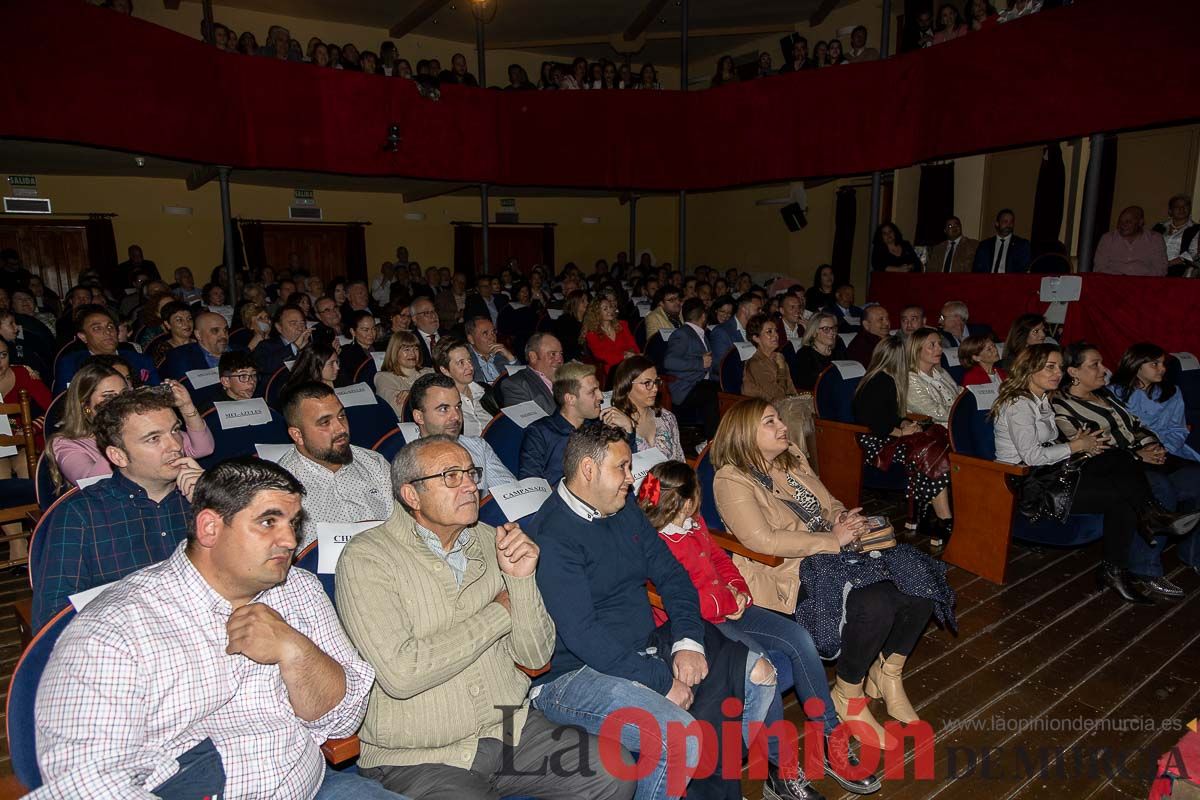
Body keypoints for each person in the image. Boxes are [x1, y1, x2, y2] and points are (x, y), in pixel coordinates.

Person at [33, 458, 391, 800]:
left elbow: (343, 719)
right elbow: (85, 782)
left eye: (293, 524)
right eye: (269, 522)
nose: (290, 540)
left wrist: (295, 649)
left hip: (313, 788)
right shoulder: (113, 629)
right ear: (209, 528)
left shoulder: (299, 588)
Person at [335, 435, 628, 800]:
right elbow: (402, 675)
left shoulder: (495, 541)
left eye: (471, 474)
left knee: (613, 770)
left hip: (508, 727)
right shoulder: (367, 559)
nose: (471, 485)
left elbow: (535, 657)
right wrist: (499, 613)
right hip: (419, 754)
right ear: (411, 495)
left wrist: (521, 581)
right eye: (451, 476)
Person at [526, 424, 780, 800]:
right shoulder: (553, 533)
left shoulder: (621, 509)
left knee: (760, 677)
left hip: (643, 645)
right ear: (588, 470)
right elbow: (584, 636)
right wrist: (661, 680)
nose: (632, 479)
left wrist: (688, 640)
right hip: (574, 674)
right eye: (623, 468)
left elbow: (673, 576)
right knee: (680, 737)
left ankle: (711, 788)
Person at [712, 399, 951, 750]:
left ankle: (888, 675)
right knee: (877, 602)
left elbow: (827, 502)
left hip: (833, 552)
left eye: (779, 418)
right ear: (744, 434)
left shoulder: (789, 457)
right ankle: (848, 692)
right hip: (789, 570)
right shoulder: (731, 478)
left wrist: (842, 518)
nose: (782, 426)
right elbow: (760, 540)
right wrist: (831, 539)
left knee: (920, 579)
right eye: (770, 422)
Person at [636, 460, 882, 796]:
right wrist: (726, 601)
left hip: (729, 606)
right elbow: (679, 599)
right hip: (697, 628)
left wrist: (739, 589)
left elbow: (720, 560)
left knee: (799, 639)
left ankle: (830, 739)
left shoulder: (693, 523)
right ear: (687, 499)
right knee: (764, 666)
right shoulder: (653, 541)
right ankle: (781, 772)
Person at [991, 345, 1196, 604]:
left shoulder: (1042, 399)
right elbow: (1032, 456)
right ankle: (1151, 516)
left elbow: (1050, 446)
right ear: (1029, 369)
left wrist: (1078, 441)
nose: (1058, 373)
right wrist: (1076, 445)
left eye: (1059, 367)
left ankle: (1116, 566)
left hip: (1052, 473)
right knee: (1118, 468)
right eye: (1050, 367)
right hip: (1027, 484)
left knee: (1118, 470)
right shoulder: (1018, 404)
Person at [32, 387, 206, 630]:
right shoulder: (80, 513)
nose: (175, 446)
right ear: (118, 456)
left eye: (175, 430)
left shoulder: (206, 496)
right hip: (125, 647)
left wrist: (216, 500)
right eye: (154, 438)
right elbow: (54, 614)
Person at [1053, 342, 1200, 523]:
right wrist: (1137, 455)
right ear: (1074, 372)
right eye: (1095, 365)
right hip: (1115, 464)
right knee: (1161, 489)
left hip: (1146, 451)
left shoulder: (1105, 394)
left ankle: (1188, 549)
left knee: (1196, 476)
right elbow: (1093, 449)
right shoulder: (1064, 405)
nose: (1104, 370)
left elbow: (1135, 425)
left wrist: (1155, 446)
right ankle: (1153, 528)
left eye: (1102, 363)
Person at [853, 336, 955, 547]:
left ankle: (923, 514)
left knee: (932, 444)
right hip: (874, 443)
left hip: (889, 435)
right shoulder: (879, 381)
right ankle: (943, 519)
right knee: (929, 453)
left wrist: (908, 423)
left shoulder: (889, 379)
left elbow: (893, 416)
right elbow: (876, 424)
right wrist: (902, 433)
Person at [49, 365, 212, 488]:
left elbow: (204, 448)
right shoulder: (65, 443)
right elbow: (92, 484)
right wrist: (112, 431)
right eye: (108, 397)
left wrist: (186, 406)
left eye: (124, 394)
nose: (119, 402)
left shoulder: (142, 430)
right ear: (86, 406)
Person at [277, 382, 392, 545]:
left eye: (341, 416)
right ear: (298, 435)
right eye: (325, 422)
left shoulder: (374, 463)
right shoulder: (280, 486)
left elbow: (401, 527)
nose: (341, 429)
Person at [519, 362, 633, 486]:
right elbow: (531, 485)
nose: (601, 396)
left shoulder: (600, 426)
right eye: (592, 392)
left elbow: (625, 466)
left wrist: (628, 429)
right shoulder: (539, 433)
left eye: (599, 389)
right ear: (570, 399)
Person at [408, 373, 516, 495]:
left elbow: (510, 493)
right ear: (419, 417)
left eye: (458, 407)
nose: (456, 416)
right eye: (444, 409)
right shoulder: (410, 463)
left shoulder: (478, 446)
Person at [1111, 344, 1200, 464]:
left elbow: (1178, 429)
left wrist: (1164, 449)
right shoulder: (1113, 393)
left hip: (1168, 450)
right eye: (1155, 364)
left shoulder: (1172, 392)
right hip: (1131, 453)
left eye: (1163, 364)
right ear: (1136, 365)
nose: (1162, 368)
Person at [741, 314, 814, 457]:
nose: (775, 335)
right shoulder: (756, 363)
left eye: (776, 331)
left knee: (812, 406)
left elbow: (791, 389)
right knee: (793, 414)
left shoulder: (778, 357)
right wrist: (781, 368)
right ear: (756, 338)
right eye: (769, 332)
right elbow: (778, 395)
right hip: (762, 409)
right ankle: (796, 459)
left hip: (784, 404)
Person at [53, 305, 160, 393]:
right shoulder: (71, 364)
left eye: (110, 327)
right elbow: (64, 403)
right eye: (97, 328)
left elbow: (158, 396)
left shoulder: (141, 360)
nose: (107, 332)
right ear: (83, 337)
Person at [663, 298, 722, 440]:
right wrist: (700, 363)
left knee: (722, 389)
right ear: (703, 316)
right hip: (685, 387)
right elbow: (669, 362)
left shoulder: (701, 334)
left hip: (701, 382)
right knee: (710, 393)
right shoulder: (682, 334)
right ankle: (711, 442)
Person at [611, 356, 685, 462]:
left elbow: (679, 459)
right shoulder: (615, 424)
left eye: (656, 382)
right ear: (626, 385)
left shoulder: (667, 418)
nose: (655, 388)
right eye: (647, 383)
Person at [431, 336, 497, 437]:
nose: (470, 367)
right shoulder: (443, 404)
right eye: (461, 363)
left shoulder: (485, 390)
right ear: (445, 370)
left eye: (469, 360)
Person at [1093, 206, 1169, 276]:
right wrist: (1122, 279)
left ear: (1140, 222)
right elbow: (1099, 268)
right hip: (1112, 283)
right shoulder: (1108, 238)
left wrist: (1137, 281)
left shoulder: (1154, 239)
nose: (1123, 225)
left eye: (1128, 222)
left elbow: (1160, 269)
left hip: (1145, 285)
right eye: (1120, 222)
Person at [906, 327, 960, 425]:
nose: (939, 348)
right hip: (938, 433)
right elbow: (934, 412)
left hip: (958, 424)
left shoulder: (941, 372)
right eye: (932, 345)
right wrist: (965, 413)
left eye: (939, 344)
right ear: (916, 349)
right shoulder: (910, 379)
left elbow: (958, 392)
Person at [499, 332, 562, 416]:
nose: (560, 360)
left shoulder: (569, 379)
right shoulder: (516, 384)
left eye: (561, 354)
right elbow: (528, 425)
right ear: (533, 357)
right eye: (553, 354)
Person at [374, 330, 432, 417]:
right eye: (407, 349)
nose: (412, 353)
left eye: (416, 349)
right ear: (394, 352)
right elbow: (398, 409)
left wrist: (412, 396)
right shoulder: (383, 377)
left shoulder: (430, 372)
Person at [160, 310, 231, 380]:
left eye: (225, 330)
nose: (223, 335)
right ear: (198, 335)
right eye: (215, 331)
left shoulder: (239, 351)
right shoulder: (180, 357)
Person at [580, 296, 637, 380]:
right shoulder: (592, 333)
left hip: (630, 363)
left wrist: (632, 353)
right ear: (597, 313)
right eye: (605, 309)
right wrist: (624, 356)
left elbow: (634, 346)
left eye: (610, 307)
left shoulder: (622, 325)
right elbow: (601, 355)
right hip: (611, 370)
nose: (610, 310)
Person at [792, 312, 848, 391]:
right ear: (814, 333)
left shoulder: (839, 349)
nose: (832, 332)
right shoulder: (804, 354)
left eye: (834, 328)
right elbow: (804, 385)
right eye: (826, 329)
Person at [254, 304, 313, 378]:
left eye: (302, 323)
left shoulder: (311, 346)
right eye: (293, 323)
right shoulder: (266, 346)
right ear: (279, 327)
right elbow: (263, 367)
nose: (300, 328)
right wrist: (295, 346)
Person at [710, 293, 762, 369]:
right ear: (744, 309)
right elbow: (719, 367)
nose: (761, 312)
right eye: (758, 309)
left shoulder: (757, 330)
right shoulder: (722, 332)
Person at [1152, 194, 1199, 275]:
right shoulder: (1159, 226)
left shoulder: (1196, 229)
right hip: (1155, 266)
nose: (1182, 209)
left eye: (1185, 206)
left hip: (1180, 268)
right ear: (1170, 211)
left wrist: (1170, 263)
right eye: (1177, 206)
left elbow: (1193, 253)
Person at [973, 209, 1032, 273]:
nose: (1008, 225)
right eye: (1005, 221)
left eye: (1011, 222)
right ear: (997, 223)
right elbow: (977, 269)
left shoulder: (1021, 245)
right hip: (987, 281)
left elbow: (1023, 269)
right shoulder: (985, 245)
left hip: (1010, 282)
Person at [465, 315, 519, 385]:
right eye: (485, 333)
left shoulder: (501, 354)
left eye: (493, 332)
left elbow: (521, 381)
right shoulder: (465, 359)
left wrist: (510, 357)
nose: (492, 338)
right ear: (471, 339)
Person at [337, 309, 380, 386]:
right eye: (365, 330)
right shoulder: (346, 353)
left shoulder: (382, 348)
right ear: (353, 331)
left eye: (373, 329)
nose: (371, 333)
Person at [410, 296, 445, 368]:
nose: (433, 315)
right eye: (426, 313)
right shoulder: (410, 341)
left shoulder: (452, 335)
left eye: (434, 311)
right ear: (415, 319)